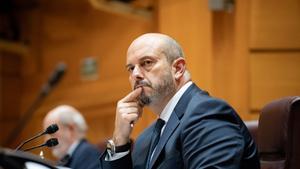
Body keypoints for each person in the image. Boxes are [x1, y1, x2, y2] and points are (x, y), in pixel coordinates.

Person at [99, 33, 260, 169]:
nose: (136, 74)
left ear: (178, 69)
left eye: (147, 63)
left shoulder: (207, 114)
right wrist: (119, 140)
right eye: (131, 68)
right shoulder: (145, 139)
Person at [43, 105, 101, 169]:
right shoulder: (68, 158)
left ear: (71, 129)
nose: (46, 140)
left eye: (51, 133)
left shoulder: (88, 155)